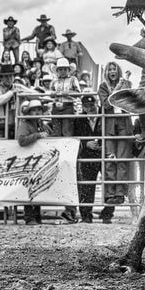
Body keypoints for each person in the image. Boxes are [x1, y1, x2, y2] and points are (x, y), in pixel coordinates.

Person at [98, 61, 133, 222]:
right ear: (107, 72)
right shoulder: (103, 87)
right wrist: (118, 89)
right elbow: (106, 104)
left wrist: (121, 87)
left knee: (122, 160)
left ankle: (120, 192)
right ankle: (110, 193)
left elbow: (128, 102)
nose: (112, 71)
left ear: (118, 71)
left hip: (124, 124)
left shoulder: (127, 84)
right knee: (110, 160)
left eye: (114, 69)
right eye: (110, 69)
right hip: (110, 125)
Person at [64, 95, 103, 223]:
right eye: (87, 106)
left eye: (92, 105)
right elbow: (75, 137)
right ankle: (86, 215)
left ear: (96, 104)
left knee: (111, 181)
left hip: (103, 153)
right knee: (87, 185)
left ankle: (108, 212)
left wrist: (102, 145)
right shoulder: (79, 119)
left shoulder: (104, 116)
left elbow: (110, 133)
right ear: (83, 107)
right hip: (87, 155)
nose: (90, 108)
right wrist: (86, 144)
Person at [15, 99, 50, 224]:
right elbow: (21, 140)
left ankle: (35, 216)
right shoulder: (26, 125)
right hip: (29, 160)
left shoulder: (41, 125)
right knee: (30, 186)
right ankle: (29, 217)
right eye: (34, 110)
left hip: (38, 160)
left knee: (36, 186)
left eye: (38, 110)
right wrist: (38, 135)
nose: (37, 112)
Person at [0, 63, 33, 138]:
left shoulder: (17, 86)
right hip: (0, 126)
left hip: (14, 125)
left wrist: (24, 92)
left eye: (11, 76)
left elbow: (34, 94)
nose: (9, 78)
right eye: (6, 76)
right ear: (1, 77)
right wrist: (11, 92)